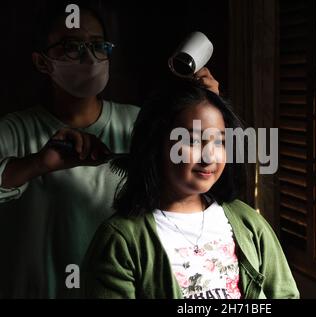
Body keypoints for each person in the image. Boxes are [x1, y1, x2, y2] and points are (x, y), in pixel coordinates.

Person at [0, 4, 219, 298]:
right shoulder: (14, 130)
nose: (88, 57)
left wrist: (207, 111)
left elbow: (190, 182)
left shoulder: (139, 123)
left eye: (98, 46)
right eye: (71, 47)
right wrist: (38, 163)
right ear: (42, 62)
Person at [82, 80, 299, 299]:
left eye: (219, 142)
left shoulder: (249, 224)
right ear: (155, 144)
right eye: (193, 141)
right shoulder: (120, 240)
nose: (209, 157)